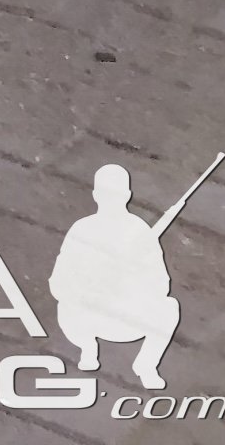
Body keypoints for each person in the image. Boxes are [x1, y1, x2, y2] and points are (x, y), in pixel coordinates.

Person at [51, 163, 184, 388]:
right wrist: (85, 290)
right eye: (106, 193)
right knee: (65, 306)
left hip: (129, 316)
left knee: (169, 308)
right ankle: (88, 348)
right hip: (88, 316)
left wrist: (133, 279)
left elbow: (162, 283)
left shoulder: (140, 230)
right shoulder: (81, 229)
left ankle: (146, 365)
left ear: (127, 195)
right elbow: (58, 281)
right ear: (96, 195)